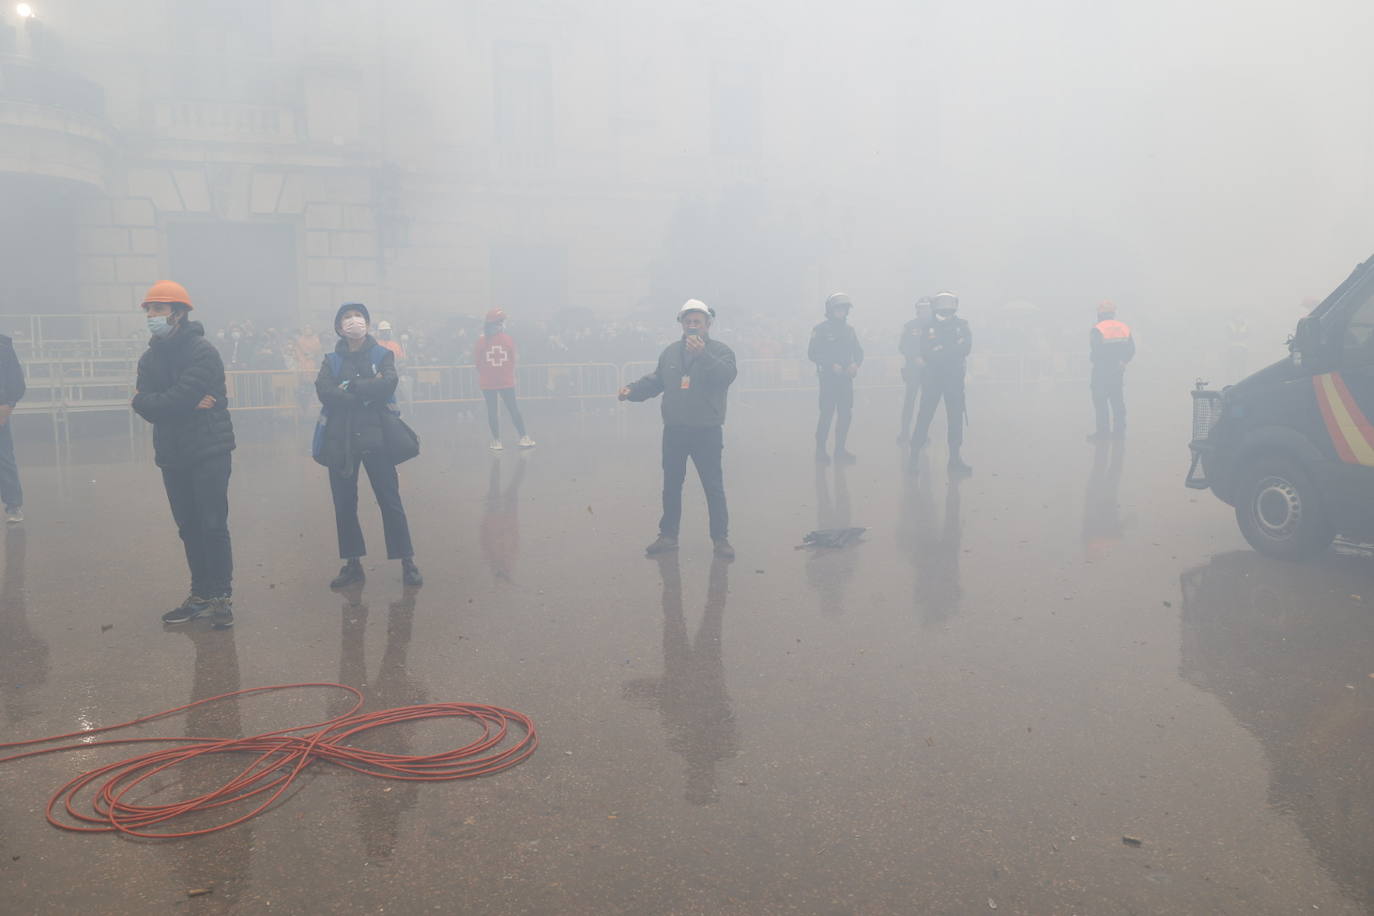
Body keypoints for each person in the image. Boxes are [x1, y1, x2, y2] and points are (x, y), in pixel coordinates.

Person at [131, 281, 236, 629]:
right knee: (188, 526)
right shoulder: (149, 357)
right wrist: (181, 404)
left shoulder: (202, 351)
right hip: (173, 453)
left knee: (212, 523)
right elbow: (143, 403)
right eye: (148, 309)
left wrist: (165, 403)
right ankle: (200, 595)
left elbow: (167, 399)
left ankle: (221, 596)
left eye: (157, 309)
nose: (151, 315)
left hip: (208, 448)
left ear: (178, 312)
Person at [315, 303, 423, 590]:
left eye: (357, 316)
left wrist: (348, 388)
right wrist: (364, 391)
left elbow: (388, 383)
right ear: (338, 327)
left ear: (368, 323)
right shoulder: (330, 359)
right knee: (344, 504)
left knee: (390, 500)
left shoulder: (382, 354)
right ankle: (352, 563)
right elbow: (324, 391)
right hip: (342, 440)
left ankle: (407, 561)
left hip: (377, 438)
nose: (353, 321)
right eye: (346, 318)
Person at [620, 300, 737, 559]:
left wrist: (702, 356)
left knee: (713, 486)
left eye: (697, 322)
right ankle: (668, 536)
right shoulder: (671, 352)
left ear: (708, 324)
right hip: (674, 430)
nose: (692, 326)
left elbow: (726, 377)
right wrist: (633, 390)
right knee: (671, 485)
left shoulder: (721, 351)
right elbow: (657, 380)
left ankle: (720, 539)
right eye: (688, 322)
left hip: (707, 430)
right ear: (681, 324)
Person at [907, 290, 973, 476]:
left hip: (953, 380)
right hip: (933, 380)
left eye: (949, 308)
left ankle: (954, 458)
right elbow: (927, 351)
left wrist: (942, 351)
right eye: (943, 308)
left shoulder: (962, 325)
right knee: (924, 417)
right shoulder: (929, 328)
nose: (946, 311)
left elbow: (966, 347)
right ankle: (914, 457)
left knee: (955, 420)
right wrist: (949, 351)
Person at [809, 292, 863, 464]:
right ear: (830, 310)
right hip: (828, 380)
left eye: (844, 309)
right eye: (838, 309)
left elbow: (859, 352)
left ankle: (840, 450)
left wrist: (856, 364)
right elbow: (812, 353)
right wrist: (831, 364)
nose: (841, 312)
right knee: (826, 414)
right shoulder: (820, 330)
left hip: (846, 380)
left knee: (846, 415)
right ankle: (820, 450)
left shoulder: (850, 331)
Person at [474, 308, 534, 451]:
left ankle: (496, 441)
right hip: (506, 382)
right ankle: (524, 437)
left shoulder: (481, 341)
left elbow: (477, 363)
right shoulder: (507, 339)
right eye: (501, 322)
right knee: (513, 409)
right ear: (497, 324)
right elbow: (514, 359)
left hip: (487, 383)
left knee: (492, 411)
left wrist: (487, 374)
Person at [1089, 300, 1134, 441]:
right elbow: (1132, 349)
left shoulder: (1098, 329)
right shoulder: (1124, 328)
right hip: (1117, 371)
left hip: (1101, 372)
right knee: (1117, 401)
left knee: (1100, 402)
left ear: (1100, 314)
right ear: (1113, 313)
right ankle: (1120, 432)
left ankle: (1103, 434)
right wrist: (1123, 361)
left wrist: (1094, 359)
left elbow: (1096, 351)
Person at [898, 296, 932, 445]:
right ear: (918, 310)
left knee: (926, 404)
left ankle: (922, 434)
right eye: (922, 308)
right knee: (909, 402)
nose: (925, 311)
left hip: (930, 370)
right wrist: (914, 357)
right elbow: (903, 346)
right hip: (913, 370)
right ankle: (904, 433)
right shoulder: (909, 326)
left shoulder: (936, 326)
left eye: (927, 308)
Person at [0, 330, 26, 524]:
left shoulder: (3, 346)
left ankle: (13, 504)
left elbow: (16, 380)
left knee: (3, 458)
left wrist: (8, 404)